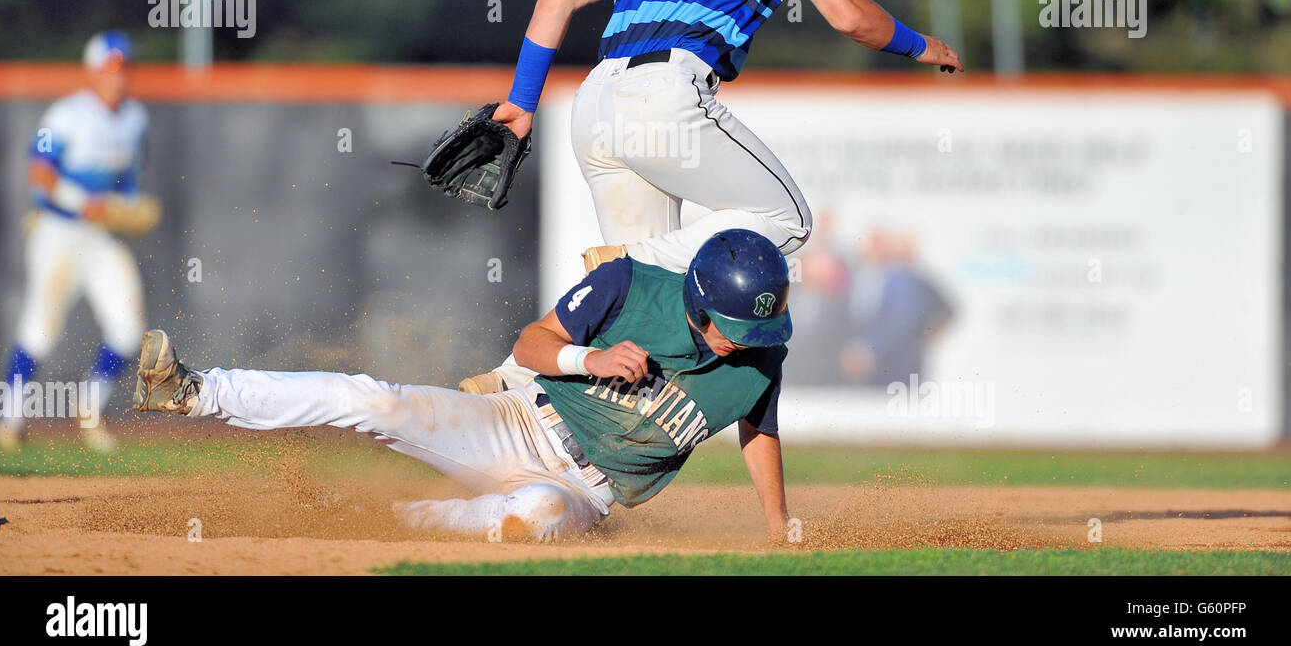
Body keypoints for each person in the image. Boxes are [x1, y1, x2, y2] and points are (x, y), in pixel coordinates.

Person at [461, 0, 962, 394]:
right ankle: (625, 269)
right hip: (665, 95)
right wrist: (921, 45)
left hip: (595, 103)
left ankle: (514, 384)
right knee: (789, 218)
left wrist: (521, 101)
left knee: (636, 316)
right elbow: (848, 16)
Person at [132, 229, 795, 543]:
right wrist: (587, 358)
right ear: (698, 297)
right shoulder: (628, 284)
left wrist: (776, 525)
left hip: (584, 490)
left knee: (531, 519)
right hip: (519, 420)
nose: (737, 340)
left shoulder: (761, 359)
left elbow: (758, 428)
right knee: (372, 398)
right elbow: (530, 345)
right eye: (728, 324)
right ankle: (193, 390)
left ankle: (383, 521)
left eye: (752, 331)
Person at [0, 31, 157, 452]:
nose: (120, 78)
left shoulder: (136, 120)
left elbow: (128, 182)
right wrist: (84, 204)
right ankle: (9, 420)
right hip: (59, 233)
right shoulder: (64, 116)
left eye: (126, 68)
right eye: (112, 69)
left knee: (129, 328)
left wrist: (128, 207)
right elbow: (39, 176)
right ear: (94, 71)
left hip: (101, 238)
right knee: (41, 330)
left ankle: (90, 412)